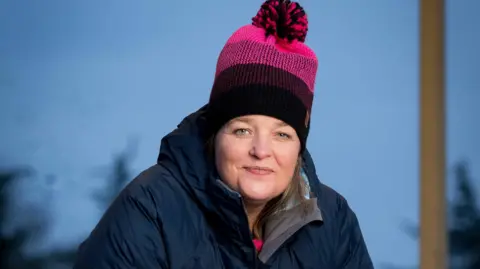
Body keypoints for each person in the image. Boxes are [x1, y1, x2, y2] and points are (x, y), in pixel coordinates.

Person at [73, 0, 373, 268]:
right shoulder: (149, 209)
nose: (261, 150)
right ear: (215, 134)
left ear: (299, 146)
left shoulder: (333, 220)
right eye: (242, 130)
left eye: (282, 135)